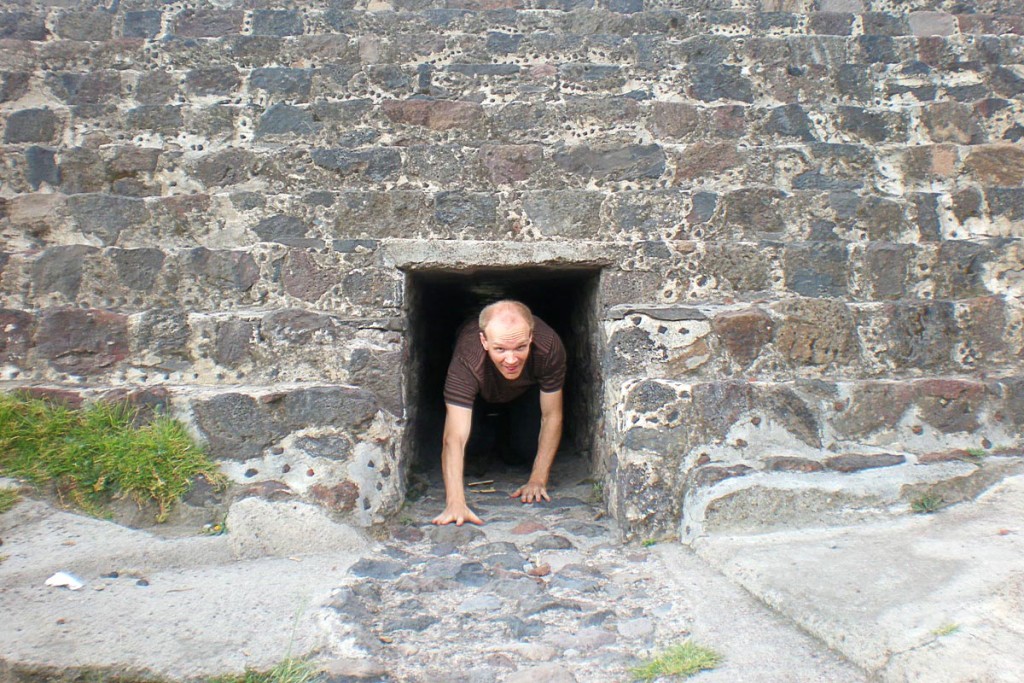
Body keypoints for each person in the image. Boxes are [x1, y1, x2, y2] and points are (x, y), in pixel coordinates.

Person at [432, 300, 566, 526]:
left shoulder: (549, 346)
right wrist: (455, 503)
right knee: (472, 448)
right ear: (484, 341)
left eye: (520, 347)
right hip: (480, 396)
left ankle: (507, 436)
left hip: (525, 393)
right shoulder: (468, 357)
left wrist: (538, 480)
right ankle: (490, 433)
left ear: (531, 337)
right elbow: (454, 436)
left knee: (525, 449)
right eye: (500, 349)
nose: (511, 360)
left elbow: (552, 415)